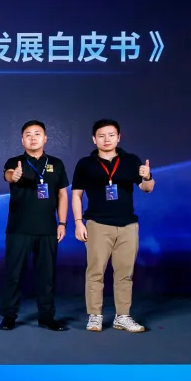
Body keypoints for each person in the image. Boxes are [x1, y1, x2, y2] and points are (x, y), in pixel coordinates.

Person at [71, 119, 154, 333]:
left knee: (125, 273)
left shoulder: (131, 160)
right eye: (101, 136)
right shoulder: (85, 164)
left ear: (118, 137)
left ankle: (122, 316)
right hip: (97, 224)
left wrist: (148, 176)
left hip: (128, 225)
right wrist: (79, 223)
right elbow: (76, 195)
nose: (106, 139)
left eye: (111, 135)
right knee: (95, 272)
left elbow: (147, 188)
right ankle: (95, 316)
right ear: (94, 139)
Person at [0, 121, 69, 331]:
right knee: (13, 275)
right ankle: (9, 317)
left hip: (47, 228)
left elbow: (62, 195)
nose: (33, 138)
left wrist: (62, 223)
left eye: (37, 134)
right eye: (28, 135)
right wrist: (14, 175)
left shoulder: (56, 164)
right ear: (22, 140)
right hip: (18, 229)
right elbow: (8, 174)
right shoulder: (15, 162)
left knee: (47, 276)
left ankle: (47, 317)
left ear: (45, 138)